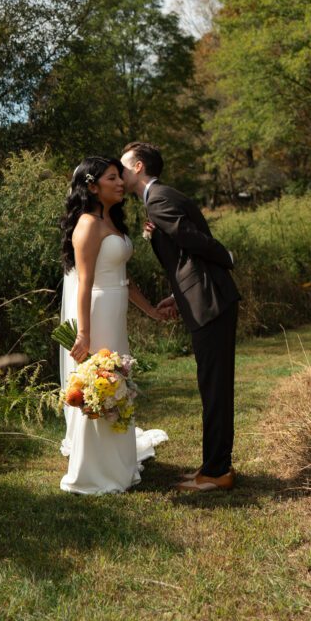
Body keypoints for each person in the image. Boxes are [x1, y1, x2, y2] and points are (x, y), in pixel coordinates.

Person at [120, 142, 240, 493]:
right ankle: (212, 467)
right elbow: (185, 255)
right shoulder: (158, 199)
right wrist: (178, 294)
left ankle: (217, 472)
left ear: (139, 167)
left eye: (123, 167)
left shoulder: (158, 199)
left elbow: (191, 238)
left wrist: (226, 256)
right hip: (202, 297)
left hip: (211, 301)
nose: (120, 173)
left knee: (215, 388)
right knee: (211, 386)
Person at [59, 156, 168, 495]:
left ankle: (118, 461)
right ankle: (93, 470)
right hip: (95, 312)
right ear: (92, 187)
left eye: (120, 178)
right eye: (112, 178)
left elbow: (123, 278)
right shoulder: (88, 224)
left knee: (116, 380)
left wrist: (150, 309)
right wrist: (84, 333)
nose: (120, 183)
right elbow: (84, 284)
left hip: (114, 310)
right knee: (98, 381)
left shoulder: (114, 222)